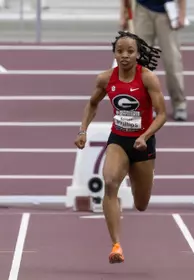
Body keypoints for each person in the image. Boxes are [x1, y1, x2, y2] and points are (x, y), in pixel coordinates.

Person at [74, 31, 167, 264]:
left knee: (141, 204)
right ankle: (116, 245)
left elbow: (162, 114)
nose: (124, 56)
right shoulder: (106, 79)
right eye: (120, 51)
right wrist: (83, 130)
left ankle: (135, 188)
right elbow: (92, 103)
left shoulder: (147, 79)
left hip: (143, 143)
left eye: (130, 51)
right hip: (119, 139)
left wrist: (145, 135)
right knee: (110, 182)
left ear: (137, 55)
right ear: (114, 54)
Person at [120, 0, 188, 121]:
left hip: (166, 12)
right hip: (142, 10)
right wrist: (123, 13)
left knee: (172, 62)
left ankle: (179, 104)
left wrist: (182, 13)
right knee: (142, 62)